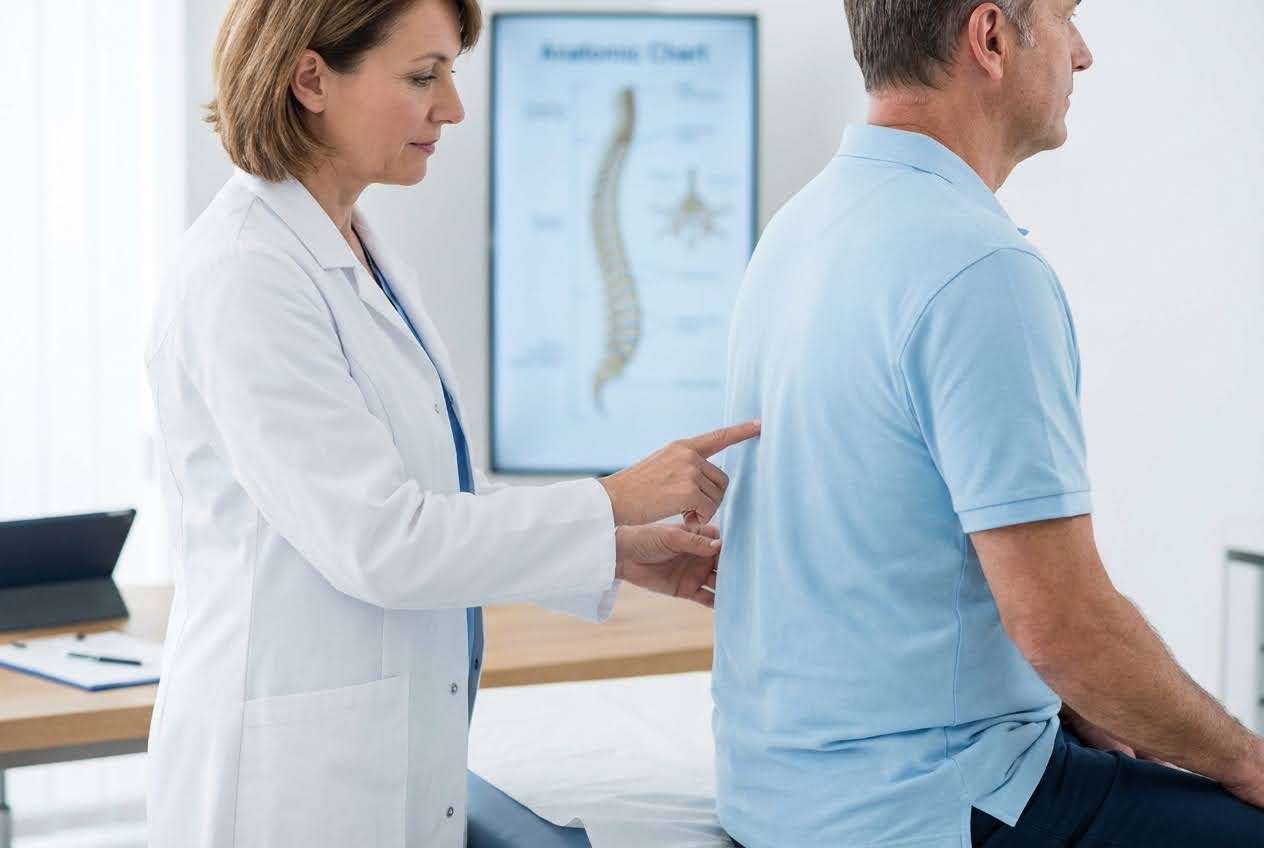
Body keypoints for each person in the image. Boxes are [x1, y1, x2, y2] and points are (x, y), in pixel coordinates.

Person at [143, 1, 759, 846]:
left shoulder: (357, 247)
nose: (453, 108)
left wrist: (610, 551)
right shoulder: (246, 274)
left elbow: (434, 499)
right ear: (311, 78)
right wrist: (610, 499)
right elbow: (383, 542)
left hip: (374, 759)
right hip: (288, 786)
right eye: (423, 76)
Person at [711, 1, 1264, 846]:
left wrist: (1083, 699)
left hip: (777, 799)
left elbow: (876, 545)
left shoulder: (796, 232)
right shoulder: (979, 266)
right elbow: (1062, 628)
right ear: (992, 37)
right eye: (1068, 17)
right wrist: (1244, 759)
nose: (1084, 53)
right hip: (924, 811)